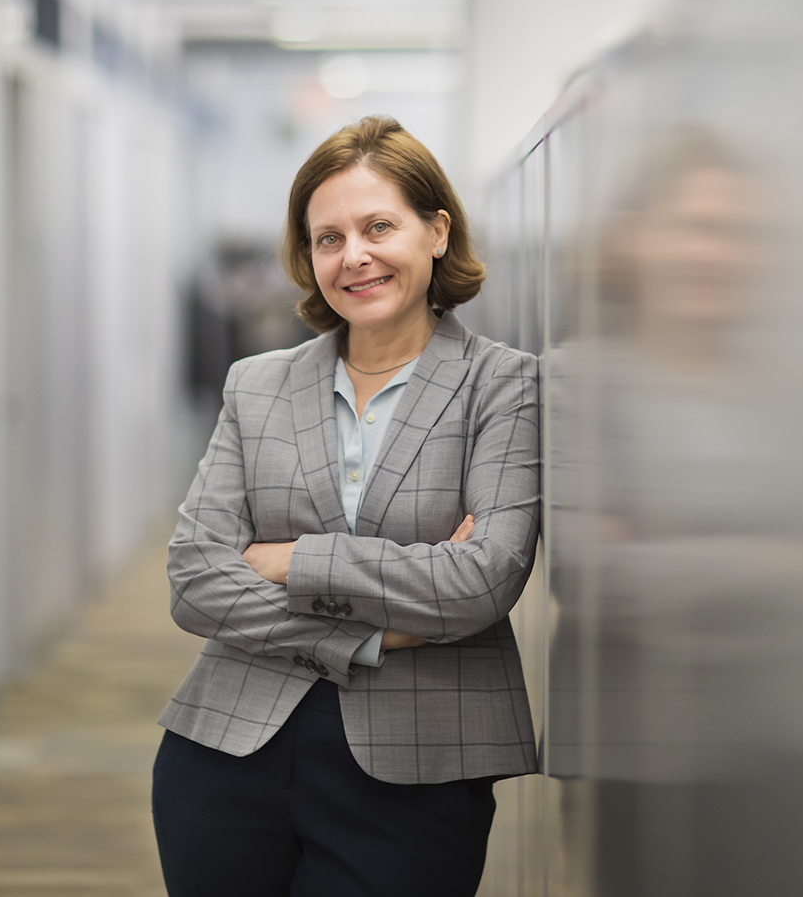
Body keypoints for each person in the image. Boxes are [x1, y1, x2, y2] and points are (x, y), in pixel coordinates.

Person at [154, 115, 542, 896]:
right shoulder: (257, 384)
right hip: (226, 750)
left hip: (420, 764)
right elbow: (195, 579)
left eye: (378, 226)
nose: (353, 256)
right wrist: (376, 634)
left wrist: (295, 557)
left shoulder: (506, 385)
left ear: (437, 231)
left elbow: (481, 580)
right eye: (327, 238)